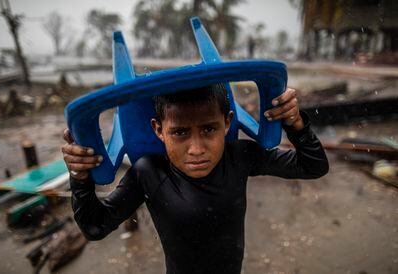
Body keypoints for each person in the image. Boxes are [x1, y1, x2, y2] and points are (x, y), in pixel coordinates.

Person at [62, 84, 329, 274]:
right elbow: (94, 227)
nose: (196, 148)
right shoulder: (148, 172)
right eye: (180, 133)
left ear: (227, 122)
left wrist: (296, 125)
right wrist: (80, 176)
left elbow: (313, 166)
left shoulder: (239, 155)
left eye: (209, 129)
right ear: (159, 130)